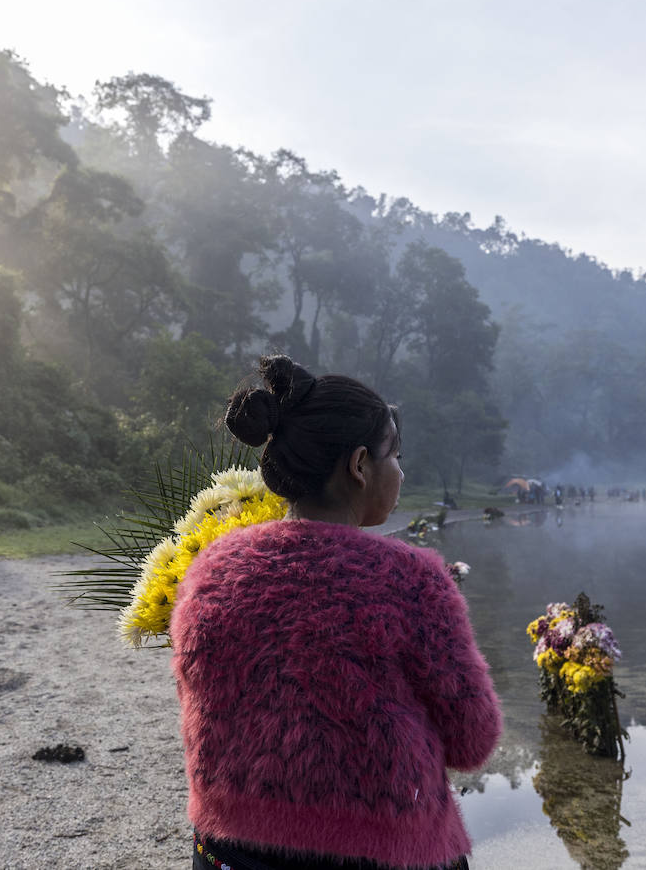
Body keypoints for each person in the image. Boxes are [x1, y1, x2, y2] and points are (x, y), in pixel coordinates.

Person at [172, 355, 503, 870]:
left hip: (230, 851)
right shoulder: (411, 579)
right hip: (384, 854)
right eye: (394, 453)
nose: (400, 470)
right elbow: (472, 740)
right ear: (359, 465)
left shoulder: (211, 568)